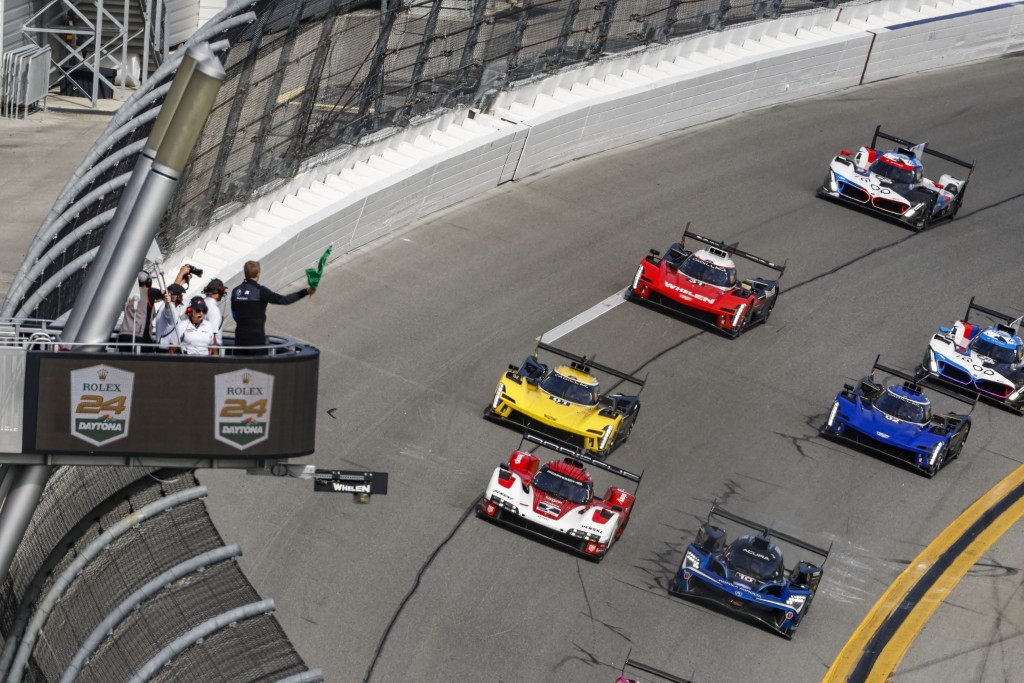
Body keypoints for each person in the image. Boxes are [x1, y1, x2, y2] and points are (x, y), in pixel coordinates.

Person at [230, 260, 315, 355]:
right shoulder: (261, 291)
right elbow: (284, 300)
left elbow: (234, 314)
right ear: (258, 274)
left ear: (245, 273)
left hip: (239, 341)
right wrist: (305, 291)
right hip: (256, 342)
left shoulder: (235, 291)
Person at [153, 283, 187, 351]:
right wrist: (168, 303)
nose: (182, 298)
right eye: (180, 296)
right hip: (166, 349)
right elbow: (168, 311)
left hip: (169, 347)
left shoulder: (175, 307)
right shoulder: (169, 307)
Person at [202, 278, 227, 354]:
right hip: (210, 350)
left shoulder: (202, 302)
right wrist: (215, 357)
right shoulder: (214, 309)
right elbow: (212, 336)